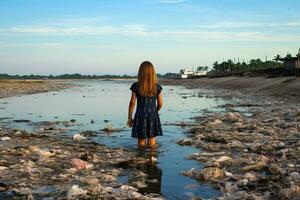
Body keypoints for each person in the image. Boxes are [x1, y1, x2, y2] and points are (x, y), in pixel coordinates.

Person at [127, 61, 163, 147]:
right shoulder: (157, 87)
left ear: (140, 73)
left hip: (140, 115)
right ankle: (152, 158)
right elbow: (160, 103)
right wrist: (155, 111)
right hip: (152, 115)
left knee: (141, 144)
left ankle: (141, 157)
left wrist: (129, 117)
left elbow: (132, 102)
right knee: (152, 144)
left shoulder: (136, 86)